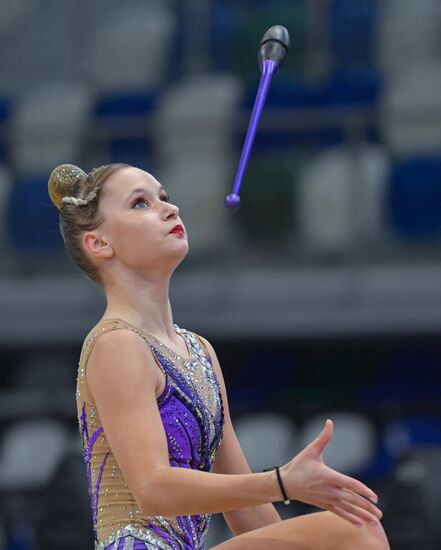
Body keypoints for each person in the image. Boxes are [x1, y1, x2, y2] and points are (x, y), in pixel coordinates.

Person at [48, 163, 390, 550]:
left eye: (165, 197)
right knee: (354, 533)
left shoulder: (199, 351)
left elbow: (249, 518)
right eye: (141, 204)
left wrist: (291, 513)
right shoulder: (116, 345)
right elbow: (153, 489)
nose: (169, 209)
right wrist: (282, 482)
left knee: (353, 529)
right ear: (99, 243)